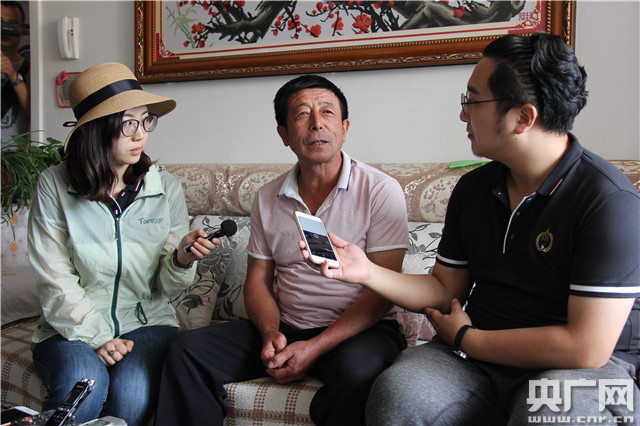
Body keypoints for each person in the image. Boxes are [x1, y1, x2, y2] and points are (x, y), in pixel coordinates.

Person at [301, 33, 640, 424]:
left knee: (553, 414)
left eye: (473, 101)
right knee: (399, 395)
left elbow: (586, 348)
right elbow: (446, 289)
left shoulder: (608, 200)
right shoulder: (474, 188)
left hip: (577, 368)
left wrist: (468, 338)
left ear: (522, 118)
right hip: (475, 356)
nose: (463, 115)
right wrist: (365, 271)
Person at [155, 74, 410, 426]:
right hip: (288, 326)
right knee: (186, 351)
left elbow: (383, 290)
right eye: (302, 114)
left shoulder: (380, 190)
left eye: (328, 112)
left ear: (345, 127)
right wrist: (271, 334)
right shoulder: (268, 197)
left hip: (361, 332)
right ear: (284, 134)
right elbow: (258, 282)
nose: (317, 123)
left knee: (361, 371)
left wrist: (315, 348)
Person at [28, 62, 219, 426]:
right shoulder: (53, 185)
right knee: (83, 383)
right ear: (96, 128)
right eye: (128, 123)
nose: (141, 134)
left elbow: (167, 286)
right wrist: (98, 337)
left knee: (131, 395)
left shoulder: (165, 188)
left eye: (146, 121)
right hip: (70, 328)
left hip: (148, 323)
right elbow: (54, 278)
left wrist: (180, 260)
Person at [1, 1, 30, 143]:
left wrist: (13, 75)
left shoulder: (31, 69)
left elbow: (36, 112)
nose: (4, 28)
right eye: (0, 22)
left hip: (15, 154)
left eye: (12, 24)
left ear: (22, 30)